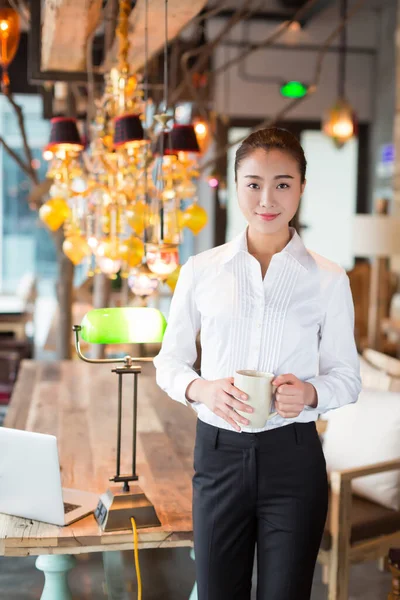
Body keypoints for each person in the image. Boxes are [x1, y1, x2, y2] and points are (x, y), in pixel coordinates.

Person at [153, 127, 361, 600]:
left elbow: (347, 377)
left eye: (283, 184)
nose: (267, 198)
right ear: (235, 184)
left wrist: (310, 393)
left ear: (302, 188)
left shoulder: (328, 279)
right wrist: (202, 389)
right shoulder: (201, 271)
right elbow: (169, 362)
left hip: (294, 460)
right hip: (218, 456)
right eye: (253, 183)